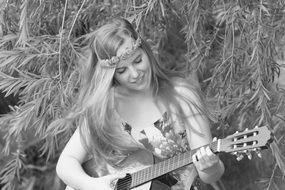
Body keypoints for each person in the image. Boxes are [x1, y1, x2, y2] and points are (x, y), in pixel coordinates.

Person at [55, 18, 225, 190]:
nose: (135, 73)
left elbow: (210, 175)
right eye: (122, 70)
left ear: (145, 51)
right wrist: (92, 185)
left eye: (137, 61)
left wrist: (210, 166)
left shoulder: (182, 96)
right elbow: (65, 163)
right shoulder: (106, 107)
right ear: (110, 75)